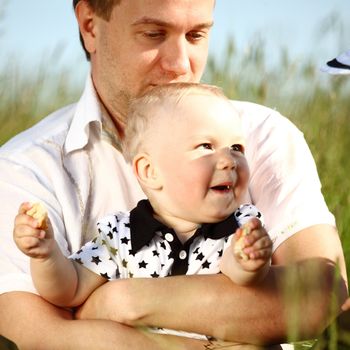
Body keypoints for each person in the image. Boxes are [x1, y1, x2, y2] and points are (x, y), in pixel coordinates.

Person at [0, 1, 348, 349]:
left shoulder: (262, 132)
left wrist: (121, 302)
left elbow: (322, 296)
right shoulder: (24, 167)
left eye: (196, 35)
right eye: (154, 34)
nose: (181, 64)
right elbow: (40, 336)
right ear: (90, 25)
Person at [13, 82, 273, 341]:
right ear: (150, 171)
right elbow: (71, 288)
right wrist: (46, 255)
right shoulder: (122, 235)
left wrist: (249, 260)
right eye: (206, 146)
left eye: (236, 148)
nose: (229, 160)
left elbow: (241, 276)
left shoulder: (241, 226)